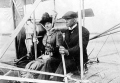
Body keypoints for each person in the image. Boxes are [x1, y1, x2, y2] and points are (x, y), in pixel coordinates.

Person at [50, 11, 90, 81]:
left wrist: (67, 51)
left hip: (78, 62)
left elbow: (80, 47)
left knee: (64, 64)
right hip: (67, 58)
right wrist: (53, 49)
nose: (66, 21)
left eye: (68, 19)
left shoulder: (84, 31)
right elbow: (63, 45)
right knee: (49, 62)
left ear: (75, 20)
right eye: (65, 20)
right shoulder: (67, 31)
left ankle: (55, 81)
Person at [22, 12, 63, 79]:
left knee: (35, 67)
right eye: (45, 24)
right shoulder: (45, 35)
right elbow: (42, 48)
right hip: (44, 57)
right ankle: (26, 79)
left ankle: (30, 79)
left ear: (52, 24)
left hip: (54, 58)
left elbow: (59, 48)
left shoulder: (58, 33)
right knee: (28, 65)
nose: (46, 25)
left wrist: (51, 51)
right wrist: (36, 43)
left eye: (48, 23)